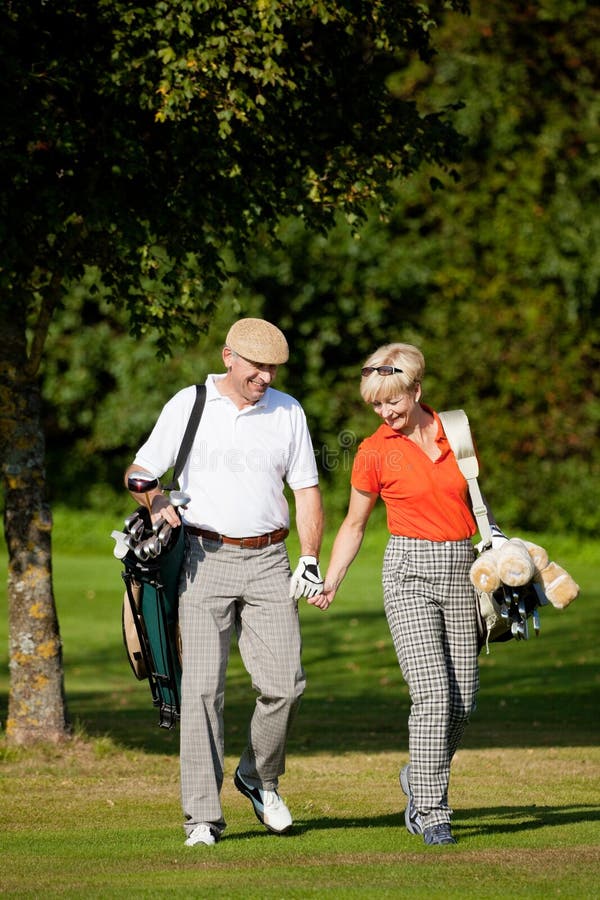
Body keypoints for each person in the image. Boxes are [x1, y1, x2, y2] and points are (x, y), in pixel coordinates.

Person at [125, 318, 324, 847]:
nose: (265, 376)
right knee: (203, 692)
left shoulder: (288, 410)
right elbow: (139, 471)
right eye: (257, 366)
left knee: (286, 685)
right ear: (229, 357)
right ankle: (202, 819)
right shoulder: (189, 403)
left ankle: (258, 777)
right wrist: (158, 499)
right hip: (200, 558)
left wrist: (309, 558)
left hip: (269, 560)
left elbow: (306, 489)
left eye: (273, 368)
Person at [309, 342, 491, 846]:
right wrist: (332, 579)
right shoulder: (372, 452)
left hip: (462, 567)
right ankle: (431, 811)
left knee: (464, 701)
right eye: (375, 404)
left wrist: (501, 554)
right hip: (408, 571)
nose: (385, 412)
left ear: (416, 389)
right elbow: (354, 523)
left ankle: (420, 772)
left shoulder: (457, 428)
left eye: (393, 401)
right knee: (432, 695)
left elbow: (474, 498)